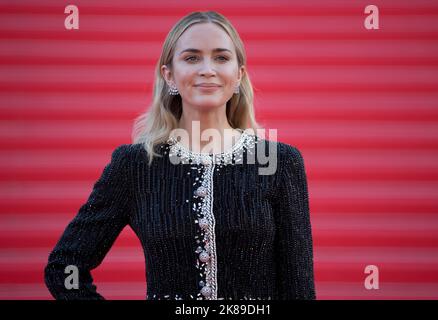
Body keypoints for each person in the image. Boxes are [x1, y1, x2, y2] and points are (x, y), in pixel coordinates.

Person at [44, 11, 316, 300]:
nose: (207, 69)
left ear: (239, 75)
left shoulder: (278, 162)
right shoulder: (136, 165)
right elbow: (64, 269)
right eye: (192, 58)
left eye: (221, 58)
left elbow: (298, 287)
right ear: (169, 75)